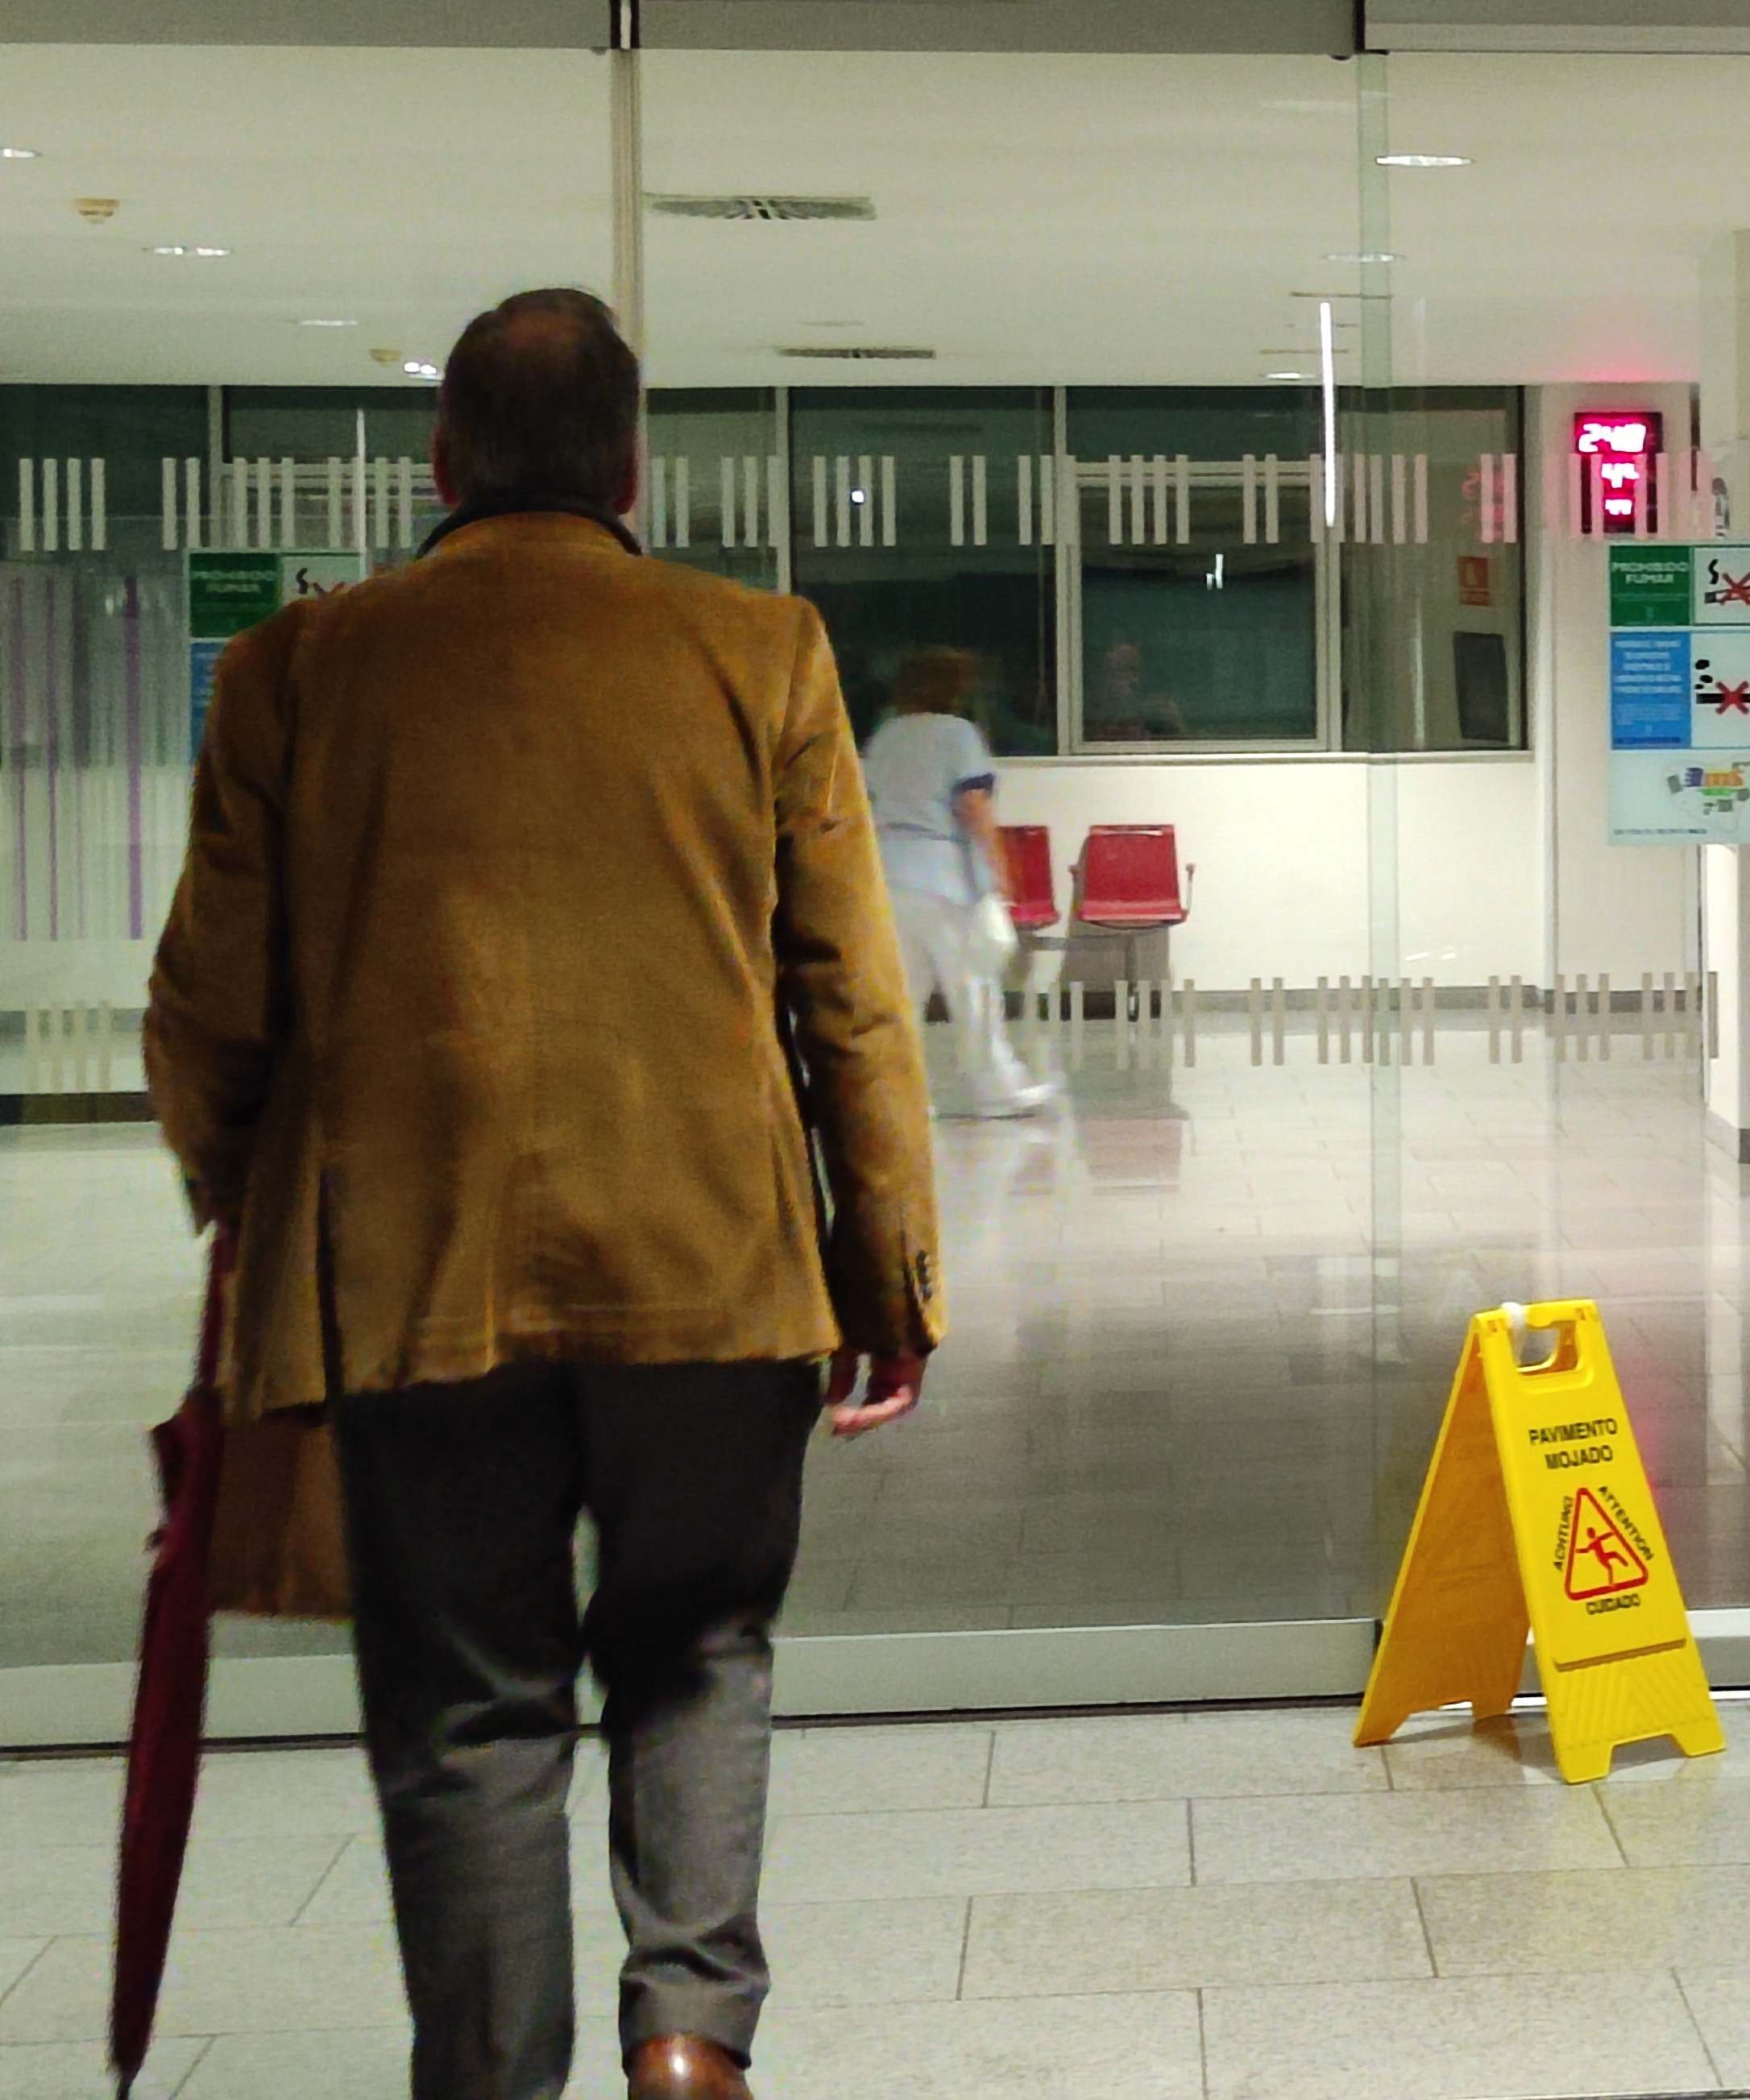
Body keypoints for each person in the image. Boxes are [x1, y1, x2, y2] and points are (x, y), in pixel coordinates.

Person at [143, 288, 942, 2100]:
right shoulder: (763, 651)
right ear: (632, 468)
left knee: (470, 1704)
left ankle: (495, 2076)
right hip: (715, 1267)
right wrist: (887, 1260)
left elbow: (210, 1001)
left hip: (412, 1280)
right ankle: (686, 2041)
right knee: (699, 1649)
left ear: (440, 462)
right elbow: (849, 992)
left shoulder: (299, 670)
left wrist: (233, 1186)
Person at [865, 646, 1055, 1118]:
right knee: (973, 989)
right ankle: (999, 1091)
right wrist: (999, 870)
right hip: (942, 878)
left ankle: (900, 1097)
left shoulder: (886, 736)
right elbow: (973, 806)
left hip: (889, 875)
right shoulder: (957, 733)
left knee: (903, 995)